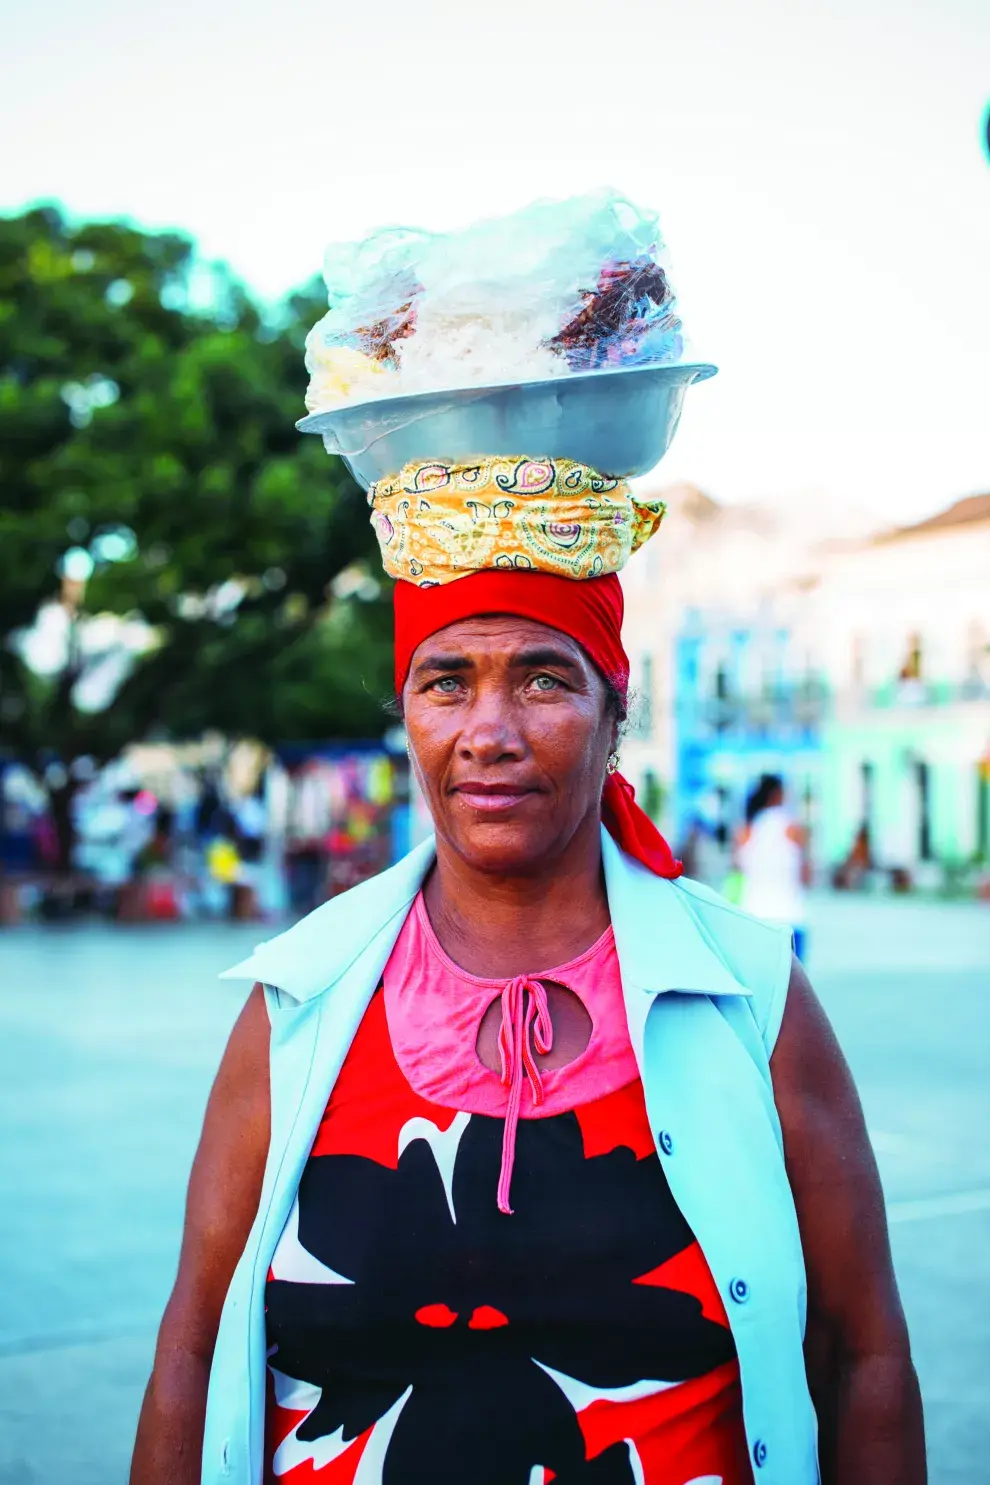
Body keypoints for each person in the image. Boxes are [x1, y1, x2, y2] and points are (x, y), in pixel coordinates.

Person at [131, 197, 923, 1485]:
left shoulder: (749, 1000)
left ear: (618, 711)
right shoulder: (299, 1000)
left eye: (545, 680)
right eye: (447, 682)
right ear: (405, 715)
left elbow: (864, 1352)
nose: (489, 729)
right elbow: (195, 1341)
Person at [736, 774, 811, 961]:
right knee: (793, 986)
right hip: (790, 915)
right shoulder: (792, 828)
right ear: (778, 795)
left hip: (753, 915)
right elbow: (806, 874)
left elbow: (738, 870)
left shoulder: (746, 830)